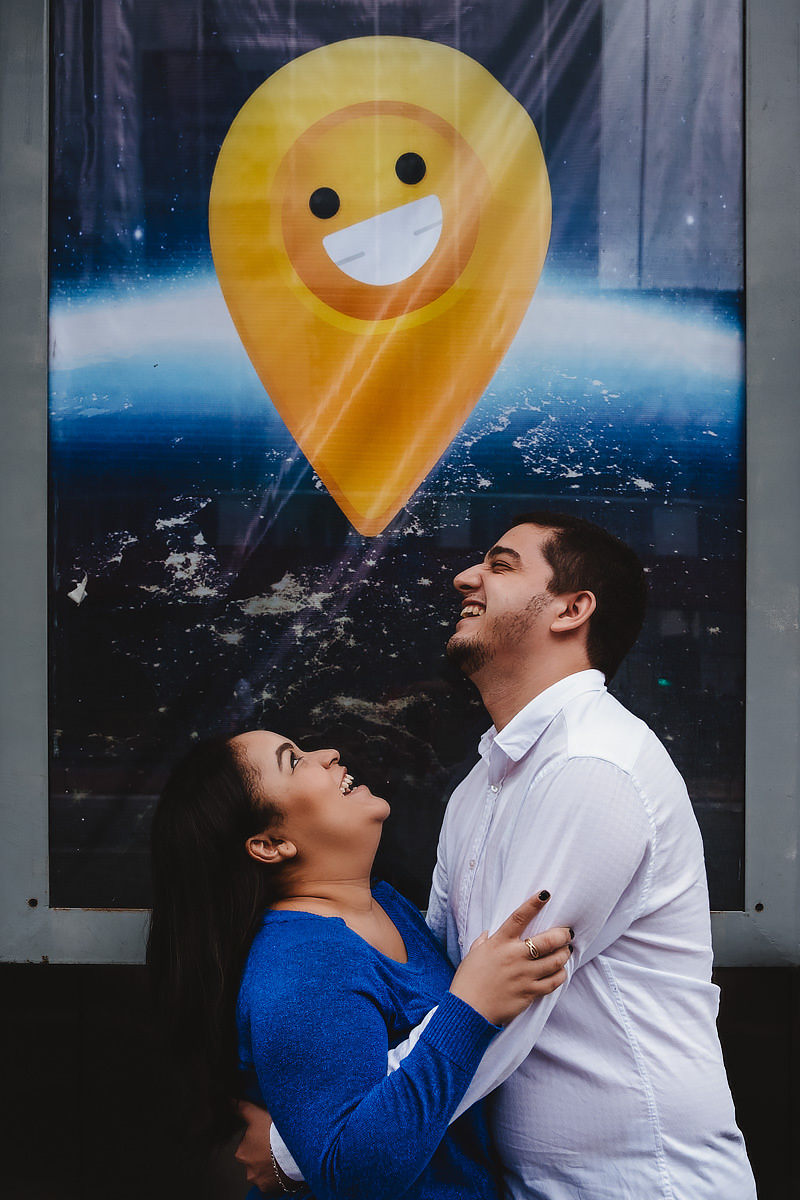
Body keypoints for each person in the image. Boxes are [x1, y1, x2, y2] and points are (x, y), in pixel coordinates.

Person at [246, 511, 756, 1198]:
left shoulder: (592, 766)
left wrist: (302, 1145)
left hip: (637, 1182)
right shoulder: (483, 784)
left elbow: (500, 1009)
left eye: (502, 564)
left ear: (572, 609)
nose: (465, 577)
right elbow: (453, 985)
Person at [147, 727, 573, 1200]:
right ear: (270, 843)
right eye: (294, 760)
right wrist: (469, 1009)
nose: (328, 754)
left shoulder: (387, 908)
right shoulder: (303, 964)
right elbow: (350, 1175)